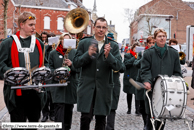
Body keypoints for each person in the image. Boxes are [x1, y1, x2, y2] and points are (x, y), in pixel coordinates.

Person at [73, 17, 122, 130]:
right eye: (98, 27)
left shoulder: (113, 45)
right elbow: (75, 63)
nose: (101, 29)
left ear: (106, 29)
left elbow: (119, 67)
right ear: (94, 28)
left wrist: (108, 56)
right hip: (87, 86)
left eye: (103, 27)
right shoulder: (84, 42)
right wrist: (87, 54)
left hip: (104, 88)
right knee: (85, 117)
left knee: (101, 119)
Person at [0, 11, 47, 128]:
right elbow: (1, 64)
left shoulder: (39, 43)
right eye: (30, 25)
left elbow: (44, 64)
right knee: (18, 125)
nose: (34, 28)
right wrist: (12, 74)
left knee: (34, 124)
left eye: (34, 25)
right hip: (16, 92)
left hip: (35, 92)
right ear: (21, 25)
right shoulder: (8, 43)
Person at [140, 28, 182, 130]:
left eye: (163, 36)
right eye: (159, 36)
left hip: (167, 92)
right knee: (151, 119)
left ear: (166, 38)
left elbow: (177, 72)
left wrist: (176, 85)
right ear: (155, 39)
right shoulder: (148, 53)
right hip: (152, 90)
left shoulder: (174, 53)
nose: (162, 38)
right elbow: (145, 70)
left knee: (162, 119)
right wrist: (147, 81)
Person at [49, 33, 79, 130]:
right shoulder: (53, 53)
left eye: (68, 40)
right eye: (64, 40)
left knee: (68, 112)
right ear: (60, 41)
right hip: (58, 86)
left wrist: (72, 65)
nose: (66, 43)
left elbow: (79, 69)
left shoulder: (74, 52)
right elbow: (50, 68)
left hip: (70, 87)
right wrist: (56, 73)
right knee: (59, 110)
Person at [133, 36, 154, 130]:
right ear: (147, 44)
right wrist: (145, 57)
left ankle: (148, 126)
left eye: (153, 43)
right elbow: (136, 64)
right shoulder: (142, 53)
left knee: (151, 107)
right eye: (150, 43)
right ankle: (146, 124)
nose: (152, 45)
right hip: (142, 82)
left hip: (153, 83)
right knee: (142, 108)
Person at [105, 33, 126, 130]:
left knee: (112, 108)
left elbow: (122, 67)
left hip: (113, 82)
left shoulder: (116, 51)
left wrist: (110, 57)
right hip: (102, 83)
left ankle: (110, 127)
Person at [40, 31, 55, 122]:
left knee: (52, 95)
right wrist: (47, 47)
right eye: (43, 38)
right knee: (44, 95)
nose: (44, 39)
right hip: (44, 74)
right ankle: (45, 114)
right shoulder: (44, 47)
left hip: (53, 74)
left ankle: (52, 113)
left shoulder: (55, 49)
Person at [123, 43, 140, 115]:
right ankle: (129, 109)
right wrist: (134, 57)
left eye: (138, 48)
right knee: (129, 94)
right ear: (132, 48)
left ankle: (137, 110)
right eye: (135, 48)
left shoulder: (140, 56)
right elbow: (126, 64)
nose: (136, 50)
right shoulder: (127, 55)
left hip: (137, 77)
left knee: (137, 94)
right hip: (129, 77)